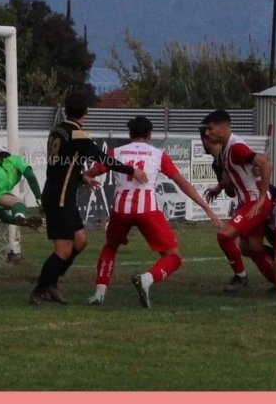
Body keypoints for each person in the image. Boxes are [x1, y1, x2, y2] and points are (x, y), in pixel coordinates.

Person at [83, 116, 222, 308]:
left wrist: (87, 179)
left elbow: (89, 173)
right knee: (173, 256)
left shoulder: (116, 152)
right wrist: (206, 207)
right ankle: (147, 279)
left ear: (130, 135)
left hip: (121, 209)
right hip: (147, 209)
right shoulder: (158, 155)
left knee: (110, 247)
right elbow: (181, 182)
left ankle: (99, 293)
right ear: (150, 135)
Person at [30, 93, 147, 305]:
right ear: (86, 113)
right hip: (60, 198)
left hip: (58, 193)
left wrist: (82, 177)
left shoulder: (57, 130)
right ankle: (40, 289)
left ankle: (52, 282)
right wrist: (133, 170)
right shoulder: (78, 134)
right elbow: (103, 159)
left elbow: (62, 164)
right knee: (64, 250)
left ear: (66, 109)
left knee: (81, 241)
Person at [202, 109, 276, 292]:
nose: (207, 133)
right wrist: (218, 188)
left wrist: (261, 199)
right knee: (252, 247)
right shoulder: (227, 148)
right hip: (247, 202)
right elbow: (233, 176)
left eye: (210, 129)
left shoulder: (236, 147)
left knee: (224, 236)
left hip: (253, 202)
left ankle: (241, 277)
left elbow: (265, 164)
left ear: (221, 127)